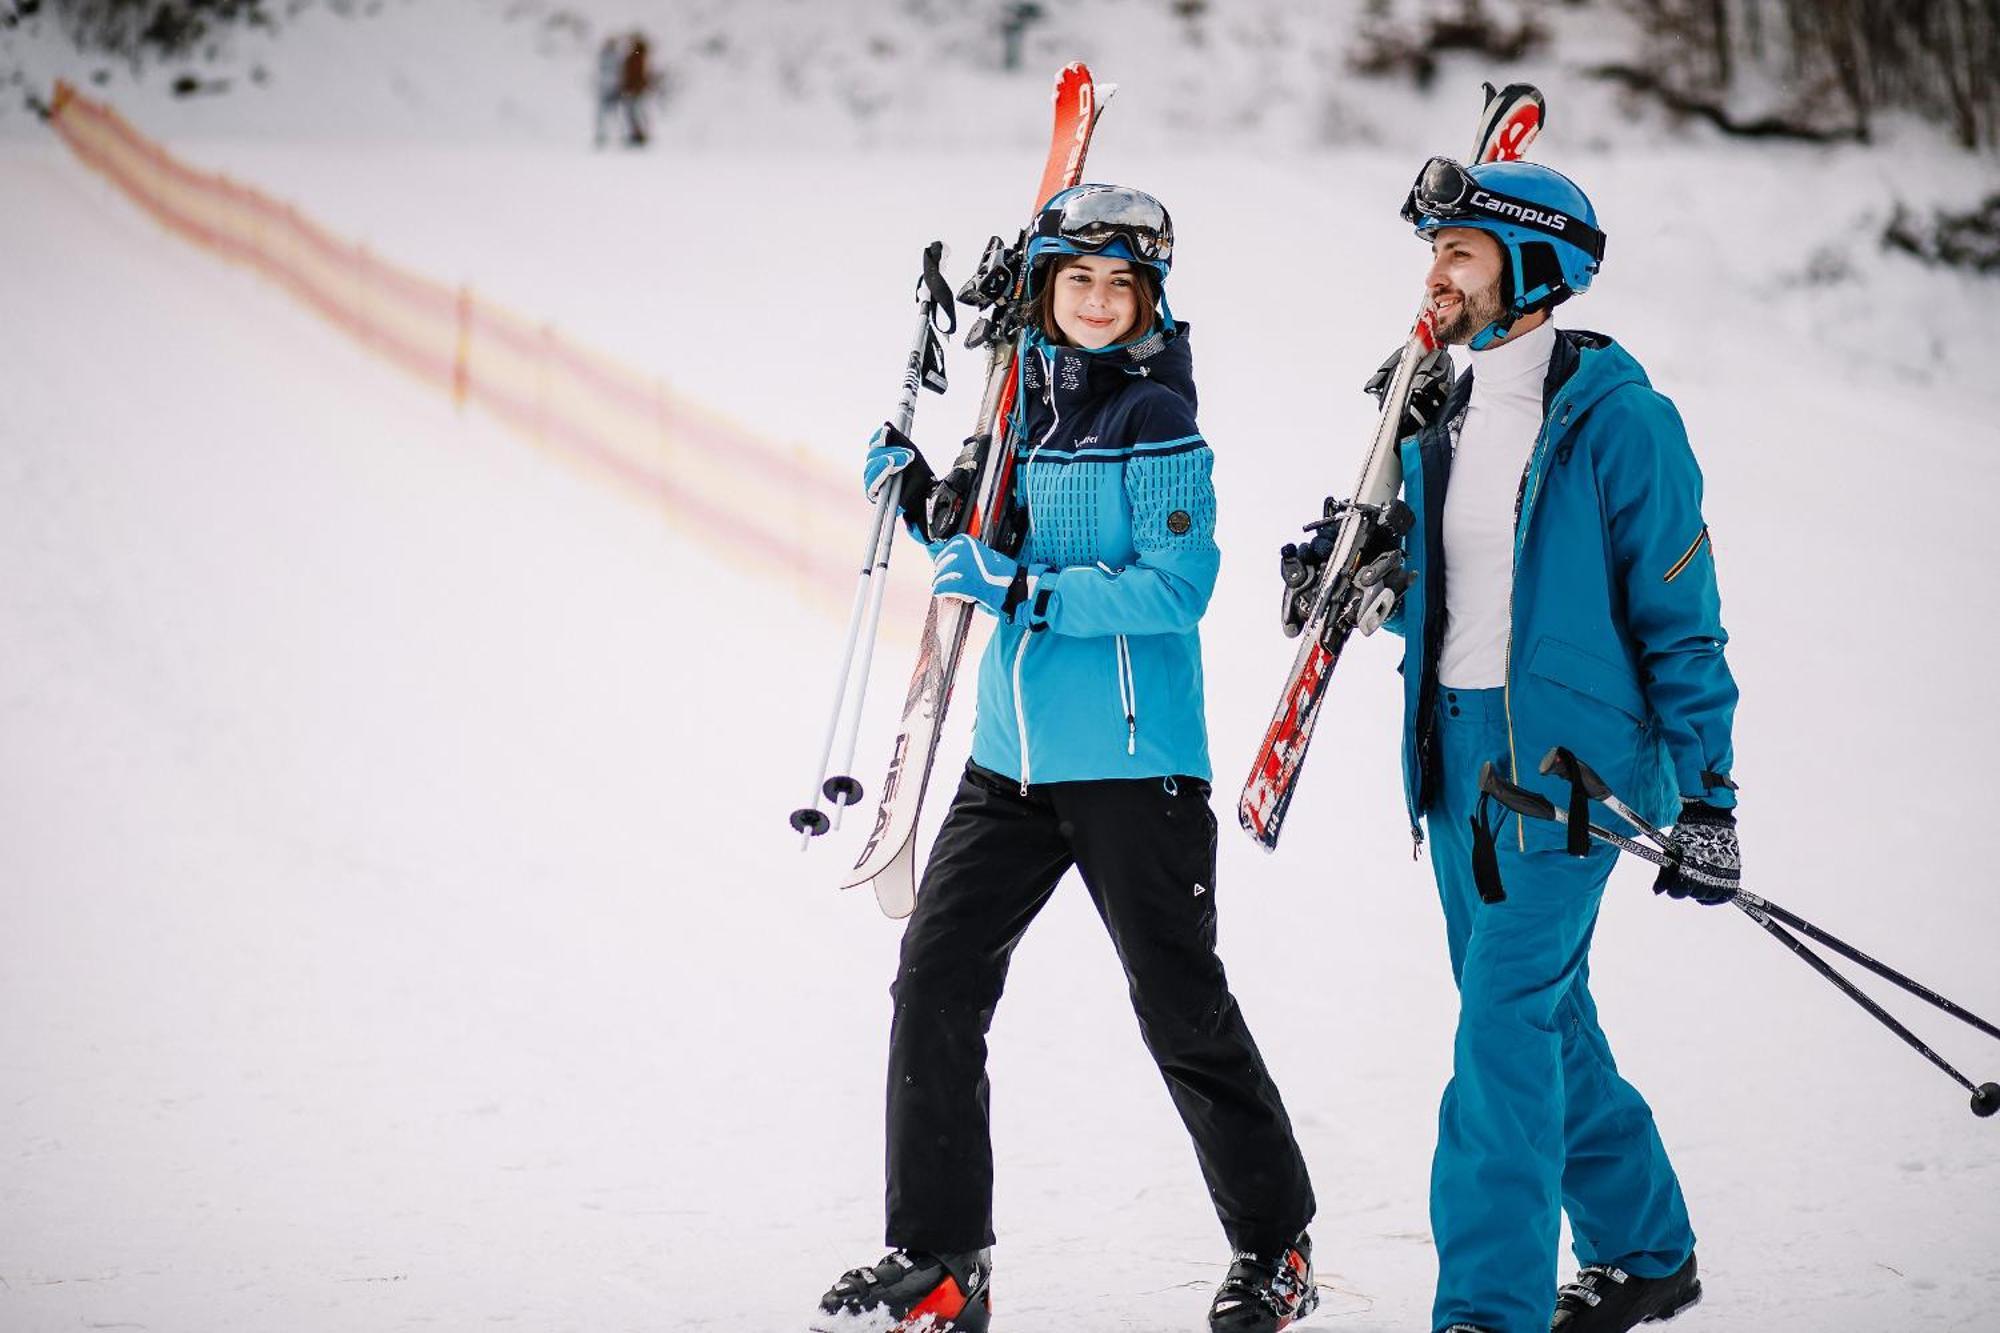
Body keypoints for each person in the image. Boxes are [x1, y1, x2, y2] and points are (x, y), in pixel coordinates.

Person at [815, 185, 1319, 1333]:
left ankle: (1272, 1244)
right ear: (1045, 292)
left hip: (1137, 767)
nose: (1094, 302)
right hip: (1011, 764)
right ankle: (941, 1257)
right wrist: (918, 500)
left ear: (1145, 299)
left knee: (1177, 1008)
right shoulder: (1018, 405)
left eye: (1117, 285)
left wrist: (1025, 589)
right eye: (1074, 282)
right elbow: (982, 544)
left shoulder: (1156, 417)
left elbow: (1176, 587)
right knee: (935, 984)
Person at [1288, 159, 1739, 1333]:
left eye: (1458, 253)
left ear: (1533, 267)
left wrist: (1710, 799)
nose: (1432, 277)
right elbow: (1461, 583)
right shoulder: (1438, 408)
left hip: (1567, 777)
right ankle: (1648, 1251)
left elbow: (1681, 624)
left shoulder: (1623, 424)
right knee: (1539, 1017)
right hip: (1450, 755)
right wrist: (1359, 566)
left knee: (1497, 1035)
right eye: (1432, 253)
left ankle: (1484, 1313)